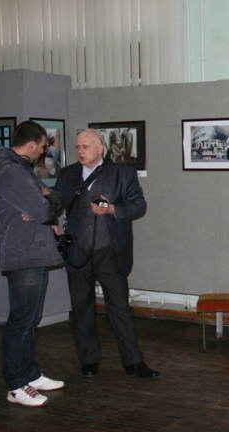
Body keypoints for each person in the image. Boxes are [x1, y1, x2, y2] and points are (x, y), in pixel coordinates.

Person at [54, 128, 159, 381]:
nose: (80, 151)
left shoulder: (123, 173)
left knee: (120, 309)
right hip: (77, 251)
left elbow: (139, 205)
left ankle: (133, 362)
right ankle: (88, 360)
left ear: (100, 148)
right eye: (78, 147)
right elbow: (56, 202)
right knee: (81, 308)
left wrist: (112, 209)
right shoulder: (67, 174)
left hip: (109, 251)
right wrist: (47, 217)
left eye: (86, 147)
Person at [0, 121, 66, 407]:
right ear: (31, 145)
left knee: (30, 319)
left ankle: (30, 375)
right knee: (21, 321)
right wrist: (44, 204)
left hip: (33, 251)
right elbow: (44, 211)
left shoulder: (21, 170)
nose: (44, 151)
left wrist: (47, 200)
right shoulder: (11, 172)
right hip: (23, 254)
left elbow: (51, 199)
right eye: (43, 146)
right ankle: (15, 385)